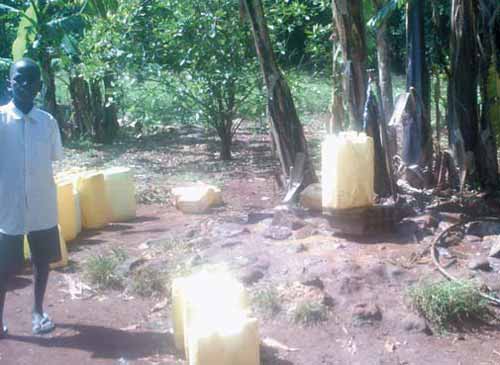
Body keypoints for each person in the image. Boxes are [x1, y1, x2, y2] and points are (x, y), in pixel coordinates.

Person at [0, 58, 64, 338]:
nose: (25, 85)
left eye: (31, 80)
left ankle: (38, 311)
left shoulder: (47, 122)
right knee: (3, 265)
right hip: (6, 206)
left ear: (40, 85)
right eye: (19, 79)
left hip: (41, 203)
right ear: (8, 83)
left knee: (41, 259)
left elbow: (53, 157)